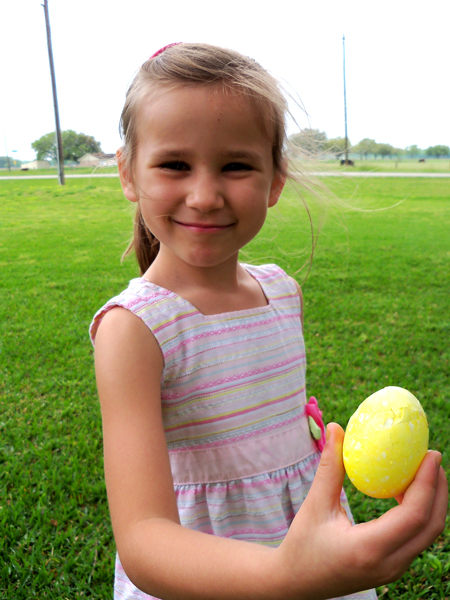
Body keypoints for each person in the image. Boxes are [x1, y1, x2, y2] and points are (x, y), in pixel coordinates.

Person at [90, 43, 447, 600]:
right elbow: (143, 539)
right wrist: (283, 576)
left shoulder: (281, 291)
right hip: (210, 573)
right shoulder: (134, 329)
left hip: (307, 537)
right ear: (129, 173)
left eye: (235, 165)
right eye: (175, 165)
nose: (205, 196)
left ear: (275, 179)